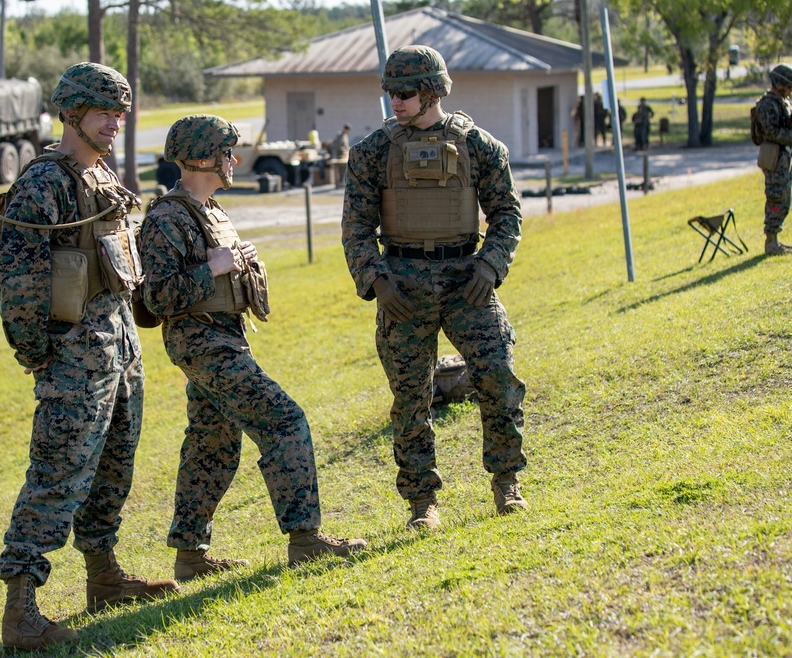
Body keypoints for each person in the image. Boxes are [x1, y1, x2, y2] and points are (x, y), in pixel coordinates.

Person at [0, 62, 179, 652]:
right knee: (57, 476)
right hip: (73, 357)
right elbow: (16, 276)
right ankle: (21, 612)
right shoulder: (44, 184)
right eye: (104, 113)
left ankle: (105, 578)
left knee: (113, 466)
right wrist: (35, 351)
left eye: (120, 114)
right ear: (71, 114)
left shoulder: (100, 177)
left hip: (118, 347)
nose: (115, 123)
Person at [138, 114, 367, 578]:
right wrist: (216, 267)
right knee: (284, 421)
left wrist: (240, 265)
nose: (234, 160)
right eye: (226, 153)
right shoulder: (166, 218)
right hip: (202, 342)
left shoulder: (210, 211)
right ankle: (305, 539)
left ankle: (190, 556)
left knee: (213, 442)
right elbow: (157, 297)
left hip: (222, 337)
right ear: (203, 157)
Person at [341, 45, 529, 531]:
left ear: (432, 92)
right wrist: (376, 280)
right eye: (390, 93)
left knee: (498, 374)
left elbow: (507, 213)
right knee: (410, 398)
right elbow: (356, 229)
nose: (395, 102)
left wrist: (490, 264)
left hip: (467, 279)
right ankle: (423, 502)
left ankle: (507, 482)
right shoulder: (371, 153)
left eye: (404, 93)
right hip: (402, 286)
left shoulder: (479, 146)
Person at [753, 64, 792, 255]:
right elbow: (772, 132)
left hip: (784, 156)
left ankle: (776, 240)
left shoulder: (783, 102)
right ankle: (771, 243)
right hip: (773, 156)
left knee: (786, 197)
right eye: (788, 87)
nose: (790, 91)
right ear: (778, 84)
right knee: (775, 196)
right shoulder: (767, 104)